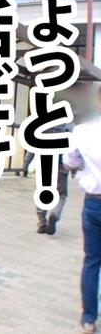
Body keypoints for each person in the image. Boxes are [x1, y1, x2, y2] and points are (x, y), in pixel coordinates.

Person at [63, 88, 101, 334]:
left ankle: (89, 318)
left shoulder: (83, 131)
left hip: (94, 202)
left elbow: (70, 161)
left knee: (92, 260)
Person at [35, 123, 73, 235]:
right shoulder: (69, 128)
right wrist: (73, 169)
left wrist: (25, 165)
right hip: (62, 166)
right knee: (61, 194)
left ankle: (42, 222)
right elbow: (74, 150)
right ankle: (55, 213)